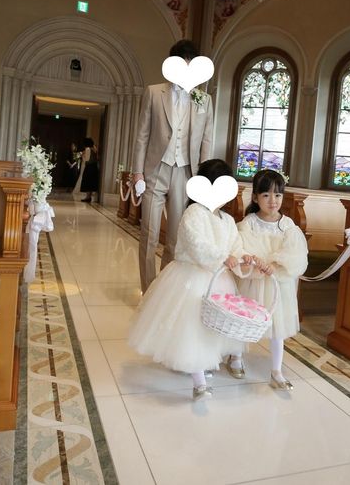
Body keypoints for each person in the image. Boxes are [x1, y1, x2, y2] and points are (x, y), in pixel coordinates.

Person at [127, 159, 245, 400]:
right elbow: (195, 243)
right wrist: (222, 257)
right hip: (191, 275)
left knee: (212, 322)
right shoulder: (193, 213)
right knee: (191, 322)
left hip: (219, 278)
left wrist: (240, 257)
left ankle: (206, 359)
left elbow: (236, 244)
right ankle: (198, 379)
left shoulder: (228, 220)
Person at [132, 39, 214, 292]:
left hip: (186, 173)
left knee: (176, 239)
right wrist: (137, 173)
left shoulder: (204, 100)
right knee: (149, 233)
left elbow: (207, 141)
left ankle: (163, 291)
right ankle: (147, 289)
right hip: (155, 170)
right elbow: (142, 135)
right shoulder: (154, 92)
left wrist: (204, 178)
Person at [226, 169, 308, 391]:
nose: (273, 201)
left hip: (277, 284)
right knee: (245, 319)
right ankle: (236, 356)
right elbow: (241, 247)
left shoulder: (287, 225)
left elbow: (295, 254)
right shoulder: (249, 223)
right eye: (266, 195)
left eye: (278, 195)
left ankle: (276, 370)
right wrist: (254, 260)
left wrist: (275, 265)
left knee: (277, 325)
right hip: (252, 281)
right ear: (255, 197)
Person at [80, 137, 99, 203]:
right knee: (91, 182)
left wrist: (82, 155)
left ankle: (87, 197)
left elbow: (87, 160)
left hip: (89, 167)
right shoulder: (94, 148)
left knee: (87, 181)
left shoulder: (88, 149)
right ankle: (89, 196)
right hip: (94, 167)